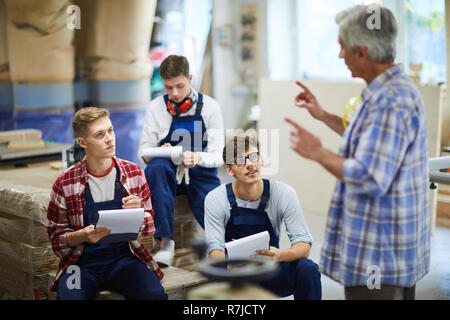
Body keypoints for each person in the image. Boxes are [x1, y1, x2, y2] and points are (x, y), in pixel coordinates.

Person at [285, 4, 429, 300]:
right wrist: (322, 114)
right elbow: (366, 139)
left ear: (362, 52)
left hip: (380, 256)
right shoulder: (388, 91)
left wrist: (318, 152)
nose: (340, 55)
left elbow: (370, 177)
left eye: (342, 47)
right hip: (389, 250)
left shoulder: (391, 101)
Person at [47, 107, 167, 300]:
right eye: (100, 134)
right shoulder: (65, 183)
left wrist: (138, 214)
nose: (109, 138)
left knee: (154, 295)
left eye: (110, 130)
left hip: (124, 260)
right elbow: (55, 240)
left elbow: (150, 227)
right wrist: (80, 236)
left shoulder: (134, 173)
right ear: (83, 142)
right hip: (81, 264)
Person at [204, 135, 322, 300]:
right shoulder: (216, 199)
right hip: (235, 275)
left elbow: (304, 245)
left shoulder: (283, 193)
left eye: (253, 156)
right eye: (240, 160)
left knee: (307, 269)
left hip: (270, 271)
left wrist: (280, 255)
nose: (250, 164)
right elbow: (215, 253)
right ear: (229, 169)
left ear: (262, 160)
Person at [138, 55, 224, 267]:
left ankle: (221, 248)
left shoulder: (210, 107)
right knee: (156, 167)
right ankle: (166, 243)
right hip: (167, 177)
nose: (174, 93)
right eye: (168, 88)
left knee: (216, 214)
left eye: (180, 86)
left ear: (190, 78)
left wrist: (197, 157)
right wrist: (161, 151)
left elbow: (218, 156)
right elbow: (143, 152)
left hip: (200, 173)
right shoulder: (156, 107)